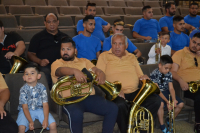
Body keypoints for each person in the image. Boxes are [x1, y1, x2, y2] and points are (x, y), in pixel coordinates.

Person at [96, 33, 161, 133]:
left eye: (120, 44)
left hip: (135, 92)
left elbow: (140, 76)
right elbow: (99, 80)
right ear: (111, 45)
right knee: (120, 104)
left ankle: (140, 129)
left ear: (126, 46)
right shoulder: (104, 56)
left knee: (155, 101)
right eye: (114, 43)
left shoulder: (132, 57)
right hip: (115, 93)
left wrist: (144, 79)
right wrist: (115, 90)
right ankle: (126, 130)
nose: (117, 47)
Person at [51, 37, 118, 133]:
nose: (65, 52)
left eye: (68, 49)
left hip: (88, 97)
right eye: (63, 49)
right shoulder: (56, 63)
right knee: (76, 114)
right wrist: (74, 71)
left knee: (113, 108)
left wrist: (101, 73)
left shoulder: (84, 61)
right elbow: (59, 71)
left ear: (75, 51)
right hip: (70, 99)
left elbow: (96, 70)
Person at [27, 13, 69, 89]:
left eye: (54, 21)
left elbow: (71, 52)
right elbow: (30, 54)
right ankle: (49, 98)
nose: (52, 24)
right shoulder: (37, 37)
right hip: (45, 66)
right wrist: (40, 61)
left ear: (58, 22)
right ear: (45, 23)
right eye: (49, 22)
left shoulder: (65, 37)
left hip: (63, 64)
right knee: (46, 75)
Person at [170, 32, 200, 133]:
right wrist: (181, 80)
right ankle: (198, 123)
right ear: (190, 40)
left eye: (199, 44)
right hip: (188, 86)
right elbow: (172, 71)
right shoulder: (179, 53)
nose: (195, 46)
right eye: (194, 42)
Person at [16, 64, 57, 133]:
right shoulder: (23, 89)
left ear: (38, 76)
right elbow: (25, 107)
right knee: (21, 127)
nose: (29, 75)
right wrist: (30, 121)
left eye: (32, 73)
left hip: (40, 109)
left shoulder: (42, 87)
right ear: (24, 78)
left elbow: (45, 105)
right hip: (25, 110)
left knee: (53, 125)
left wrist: (46, 119)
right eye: (26, 74)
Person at [150, 55, 184, 133]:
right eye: (166, 68)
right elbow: (157, 90)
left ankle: (169, 119)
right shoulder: (154, 74)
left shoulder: (169, 74)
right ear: (160, 65)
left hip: (166, 92)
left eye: (169, 68)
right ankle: (162, 126)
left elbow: (171, 88)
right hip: (157, 93)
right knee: (161, 104)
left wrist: (174, 99)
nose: (168, 70)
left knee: (180, 104)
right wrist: (167, 102)